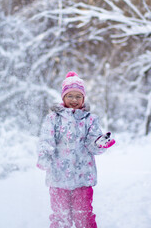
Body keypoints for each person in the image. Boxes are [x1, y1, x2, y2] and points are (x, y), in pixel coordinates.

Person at [37, 71, 115, 228]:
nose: (74, 100)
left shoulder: (90, 120)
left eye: (78, 96)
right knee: (60, 217)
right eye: (70, 96)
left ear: (84, 98)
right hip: (58, 178)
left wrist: (99, 143)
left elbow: (92, 143)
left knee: (84, 216)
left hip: (82, 178)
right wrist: (44, 155)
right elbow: (46, 140)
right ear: (63, 97)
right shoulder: (53, 119)